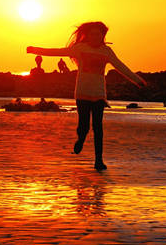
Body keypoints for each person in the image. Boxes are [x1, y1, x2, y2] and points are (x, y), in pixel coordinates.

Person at [27, 21, 147, 170]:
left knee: (98, 127)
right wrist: (35, 50)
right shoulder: (80, 49)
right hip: (82, 93)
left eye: (98, 34)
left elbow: (120, 66)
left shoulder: (107, 51)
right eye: (92, 34)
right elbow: (58, 51)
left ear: (102, 35)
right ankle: (81, 139)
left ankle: (98, 160)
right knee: (83, 126)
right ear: (87, 35)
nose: (95, 36)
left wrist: (138, 81)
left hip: (99, 94)